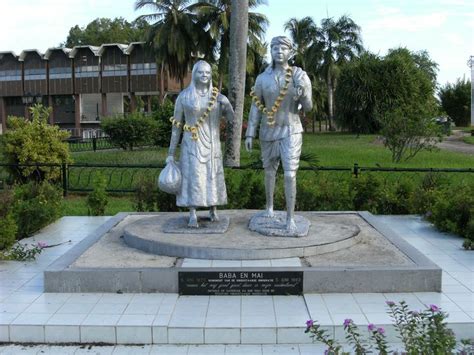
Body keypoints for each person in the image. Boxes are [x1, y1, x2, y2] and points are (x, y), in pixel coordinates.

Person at [245, 36, 312, 232]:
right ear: (271, 51)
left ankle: (290, 218)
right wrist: (250, 133)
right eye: (275, 48)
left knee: (290, 174)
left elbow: (308, 106)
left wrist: (304, 93)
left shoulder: (299, 76)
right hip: (268, 131)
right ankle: (269, 208)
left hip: (291, 130)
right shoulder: (262, 78)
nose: (279, 51)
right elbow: (256, 107)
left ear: (290, 52)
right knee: (269, 171)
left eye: (283, 48)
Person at [167, 60, 234, 228]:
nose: (204, 75)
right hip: (192, 144)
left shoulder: (218, 98)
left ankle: (213, 208)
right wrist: (170, 153)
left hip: (212, 144)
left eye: (207, 72)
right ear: (194, 74)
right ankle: (192, 213)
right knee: (193, 177)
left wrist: (227, 105)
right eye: (200, 72)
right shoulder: (184, 97)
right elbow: (176, 127)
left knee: (212, 175)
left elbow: (233, 120)